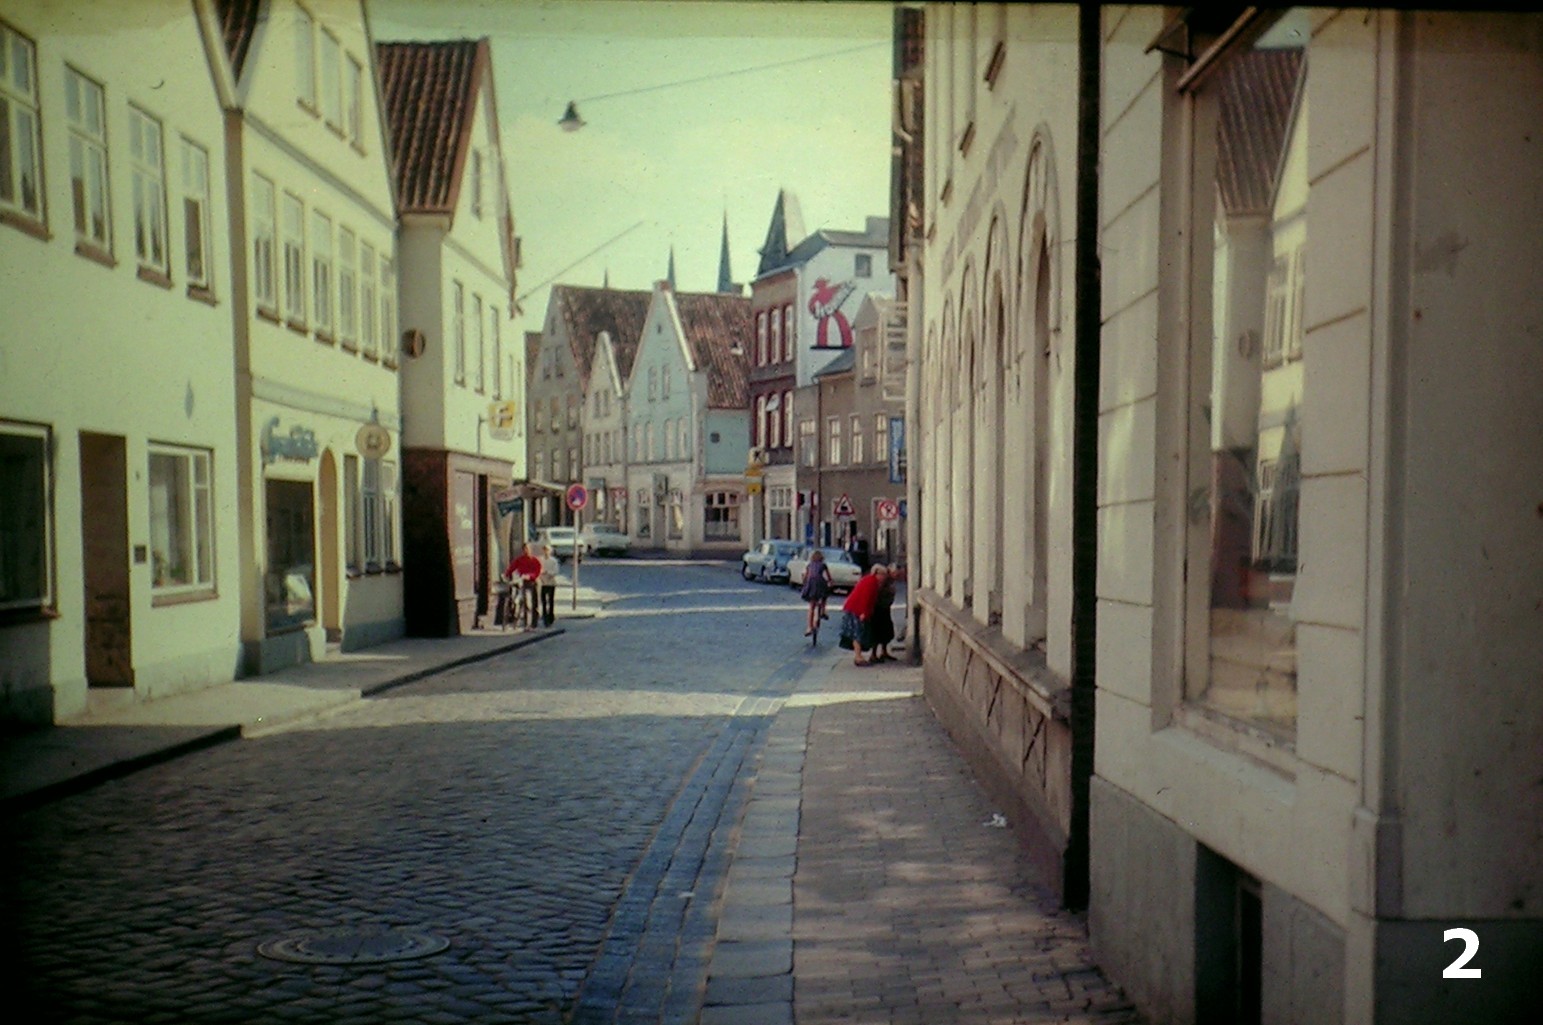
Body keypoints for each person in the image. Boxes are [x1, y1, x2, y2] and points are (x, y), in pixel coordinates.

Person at [840, 563, 888, 666]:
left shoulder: (872, 581)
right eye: (883, 574)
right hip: (856, 609)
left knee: (858, 633)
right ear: (877, 573)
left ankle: (859, 656)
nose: (884, 577)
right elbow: (865, 599)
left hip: (855, 608)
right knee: (858, 633)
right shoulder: (871, 582)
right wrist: (864, 613)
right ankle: (858, 657)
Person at [505, 542, 542, 630]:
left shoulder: (535, 560)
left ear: (531, 550)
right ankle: (527, 624)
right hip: (525, 583)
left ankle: (534, 623)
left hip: (534, 582)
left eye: (528, 549)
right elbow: (512, 567)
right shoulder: (520, 560)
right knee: (527, 603)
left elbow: (538, 571)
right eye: (525, 549)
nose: (526, 551)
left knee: (535, 603)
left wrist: (530, 576)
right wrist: (506, 574)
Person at [801, 548, 834, 637]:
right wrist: (830, 582)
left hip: (811, 584)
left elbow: (806, 576)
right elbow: (828, 576)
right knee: (825, 594)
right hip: (820, 582)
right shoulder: (823, 565)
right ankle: (823, 611)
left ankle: (809, 627)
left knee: (811, 606)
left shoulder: (809, 565)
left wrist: (804, 584)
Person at [868, 563, 897, 662]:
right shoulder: (880, 581)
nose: (896, 575)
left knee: (886, 630)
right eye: (894, 573)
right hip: (877, 609)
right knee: (876, 631)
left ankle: (884, 652)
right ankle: (873, 654)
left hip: (885, 608)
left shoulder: (889, 581)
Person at [538, 544, 560, 627]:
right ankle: (545, 617)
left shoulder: (553, 561)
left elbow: (556, 571)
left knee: (550, 600)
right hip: (543, 582)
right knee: (543, 601)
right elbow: (538, 569)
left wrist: (548, 572)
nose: (546, 552)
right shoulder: (541, 560)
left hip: (551, 583)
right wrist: (541, 574)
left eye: (547, 550)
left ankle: (551, 616)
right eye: (545, 550)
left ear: (550, 551)